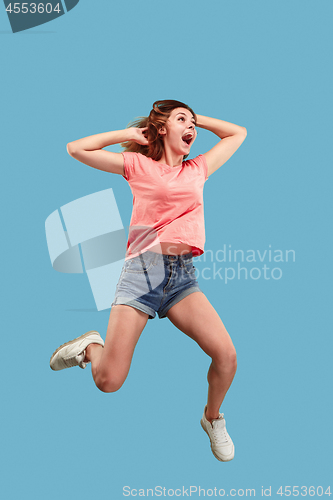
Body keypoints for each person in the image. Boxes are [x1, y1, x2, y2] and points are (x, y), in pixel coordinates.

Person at [50, 100, 247, 462]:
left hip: (182, 278)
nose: (192, 128)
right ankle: (90, 348)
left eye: (193, 123)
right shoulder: (138, 165)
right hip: (141, 274)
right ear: (161, 129)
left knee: (227, 356)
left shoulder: (198, 169)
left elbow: (238, 133)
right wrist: (126, 135)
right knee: (108, 381)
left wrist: (195, 118)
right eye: (181, 120)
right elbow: (76, 148)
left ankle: (212, 418)